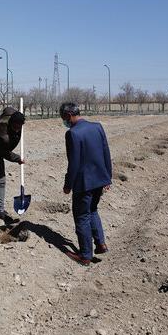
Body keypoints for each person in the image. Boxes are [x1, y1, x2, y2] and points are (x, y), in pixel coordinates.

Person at [60, 102, 112, 266]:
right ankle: (101, 244)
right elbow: (106, 152)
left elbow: (73, 163)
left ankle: (85, 255)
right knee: (93, 210)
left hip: (84, 183)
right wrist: (108, 177)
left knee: (82, 216)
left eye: (63, 118)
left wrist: (68, 184)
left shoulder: (72, 134)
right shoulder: (97, 127)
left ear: (68, 115)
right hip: (99, 179)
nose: (64, 122)